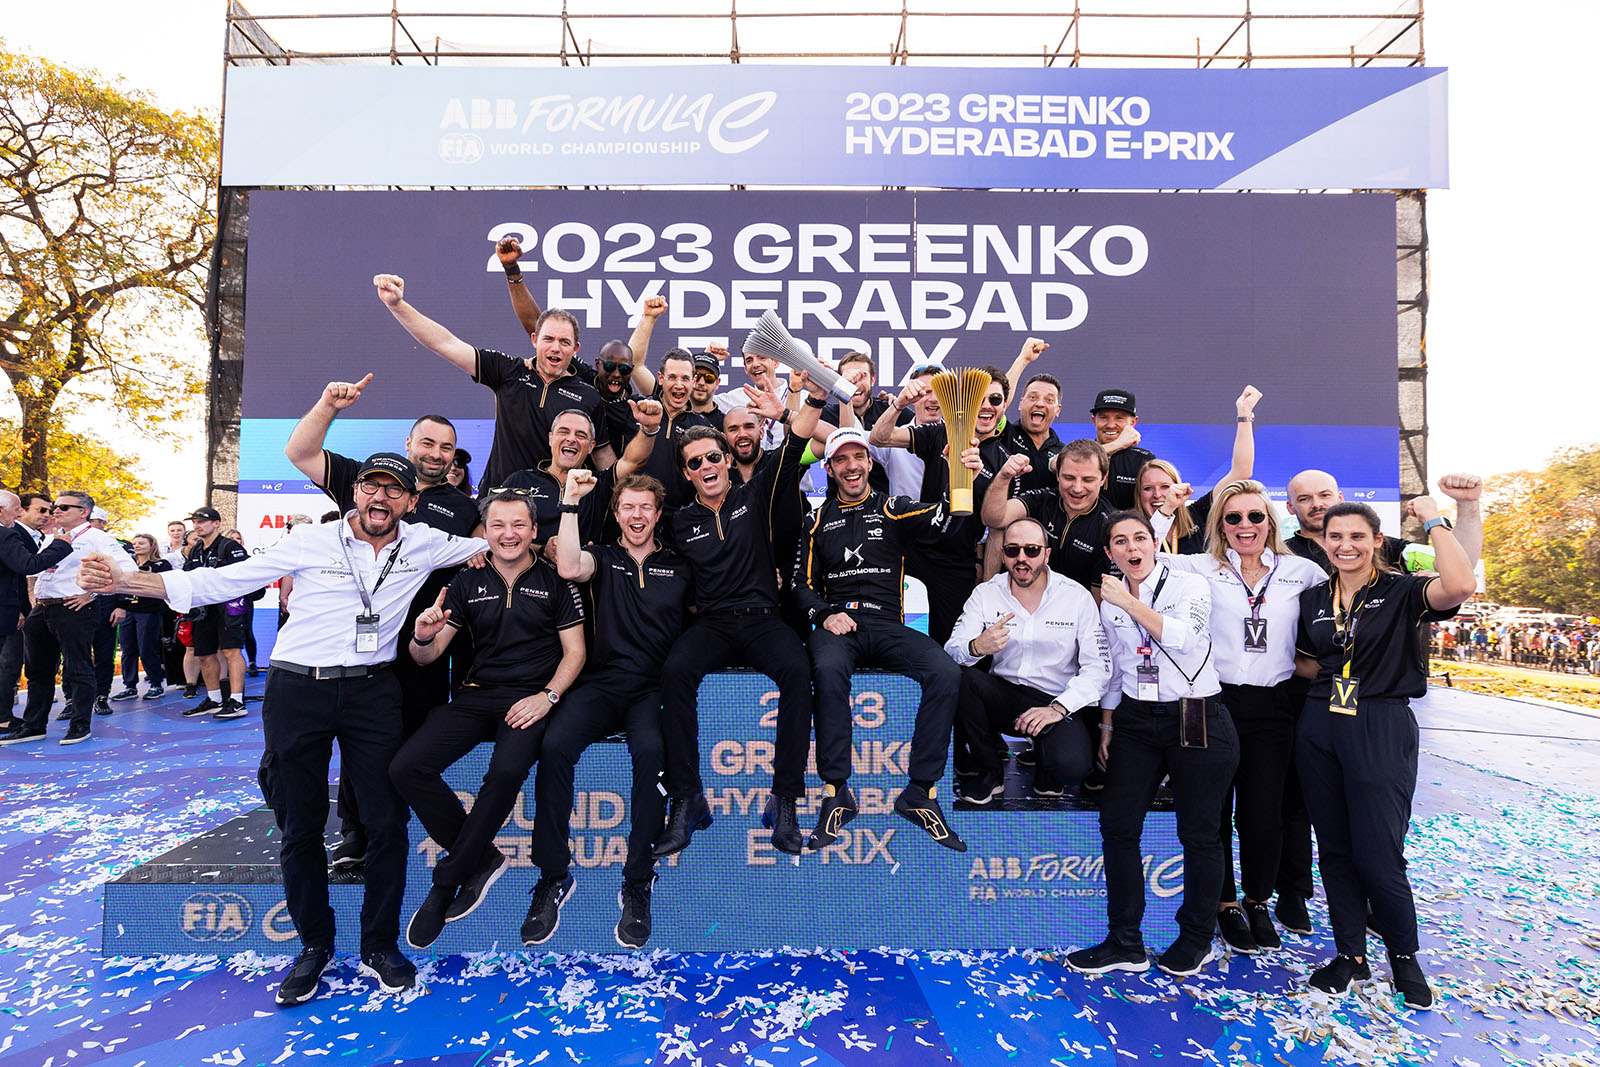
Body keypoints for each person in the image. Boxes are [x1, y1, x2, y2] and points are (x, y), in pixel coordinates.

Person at [77, 453, 489, 1005]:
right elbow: (222, 580)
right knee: (300, 826)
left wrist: (544, 539)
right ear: (354, 493)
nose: (381, 498)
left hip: (373, 692)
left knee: (387, 824)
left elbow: (505, 540)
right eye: (372, 486)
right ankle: (314, 945)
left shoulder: (425, 543)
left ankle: (380, 945)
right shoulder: (309, 540)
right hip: (299, 690)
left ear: (411, 501)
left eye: (395, 490)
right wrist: (128, 580)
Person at [284, 375, 481, 866]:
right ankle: (356, 833)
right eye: (428, 443)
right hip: (359, 652)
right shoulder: (366, 478)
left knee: (406, 747)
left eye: (447, 448)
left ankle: (394, 830)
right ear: (408, 443)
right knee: (356, 750)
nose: (436, 454)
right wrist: (328, 405)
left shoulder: (464, 507)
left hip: (424, 648)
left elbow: (487, 548)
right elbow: (301, 453)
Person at [1293, 498, 1475, 1009]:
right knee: (1334, 849)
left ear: (1377, 541)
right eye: (1336, 537)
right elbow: (1307, 662)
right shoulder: (1313, 598)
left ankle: (1403, 956)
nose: (1345, 546)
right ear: (1323, 542)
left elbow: (1460, 585)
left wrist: (1435, 519)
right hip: (1321, 724)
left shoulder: (1402, 589)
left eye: (1357, 536)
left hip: (1381, 722)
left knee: (1378, 853)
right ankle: (1350, 954)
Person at [388, 490, 585, 951]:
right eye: (498, 525)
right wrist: (422, 636)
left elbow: (575, 652)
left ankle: (445, 884)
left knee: (506, 772)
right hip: (477, 695)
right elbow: (427, 656)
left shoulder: (556, 580)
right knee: (405, 768)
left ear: (534, 531)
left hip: (531, 698)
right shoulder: (467, 580)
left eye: (518, 525)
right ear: (485, 532)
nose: (508, 534)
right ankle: (481, 859)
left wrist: (547, 697)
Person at [652, 372, 828, 858]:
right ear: (687, 474)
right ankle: (688, 800)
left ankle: (784, 800)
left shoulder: (757, 494)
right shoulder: (678, 523)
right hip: (711, 623)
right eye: (695, 462)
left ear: (728, 460)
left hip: (764, 619)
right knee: (674, 673)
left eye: (713, 457)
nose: (706, 465)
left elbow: (795, 443)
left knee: (798, 674)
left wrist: (812, 397)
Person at [1149, 480, 1326, 954]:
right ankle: (1224, 904)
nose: (1245, 525)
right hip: (1210, 702)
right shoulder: (1197, 568)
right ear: (1220, 525)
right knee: (1211, 811)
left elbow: (1337, 609)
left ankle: (1258, 901)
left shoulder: (1302, 571)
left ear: (1270, 522)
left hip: (1273, 706)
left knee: (1263, 813)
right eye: (1233, 517)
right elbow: (1142, 557)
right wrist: (1166, 511)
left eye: (1254, 516)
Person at [1066, 512, 1238, 978]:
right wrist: (1106, 727)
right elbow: (1116, 668)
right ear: (1110, 553)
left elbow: (1185, 638)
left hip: (1196, 716)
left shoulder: (1188, 584)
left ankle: (1196, 939)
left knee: (1200, 833)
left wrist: (1128, 601)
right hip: (1137, 721)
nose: (1132, 548)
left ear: (1154, 542)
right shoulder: (1109, 602)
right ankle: (1125, 941)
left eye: (1139, 538)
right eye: (1120, 542)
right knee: (1117, 827)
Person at [526, 470, 693, 949]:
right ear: (617, 514)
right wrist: (571, 501)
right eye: (628, 507)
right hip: (600, 685)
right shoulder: (601, 557)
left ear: (657, 515)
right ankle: (553, 877)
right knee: (554, 747)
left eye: (646, 508)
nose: (637, 516)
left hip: (652, 691)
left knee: (651, 756)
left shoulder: (680, 565)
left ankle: (638, 881)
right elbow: (568, 566)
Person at [794, 427, 966, 852]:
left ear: (871, 463)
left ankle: (920, 791)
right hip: (839, 624)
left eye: (859, 457)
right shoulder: (815, 520)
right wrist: (825, 614)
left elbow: (946, 520)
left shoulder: (893, 508)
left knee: (946, 671)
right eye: (841, 460)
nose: (851, 466)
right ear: (829, 469)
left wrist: (956, 470)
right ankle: (837, 793)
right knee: (827, 669)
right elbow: (801, 585)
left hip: (887, 624)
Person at [374, 272, 613, 487]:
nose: (555, 348)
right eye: (548, 339)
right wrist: (397, 305)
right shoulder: (508, 370)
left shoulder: (589, 396)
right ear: (534, 340)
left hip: (554, 508)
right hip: (497, 501)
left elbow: (603, 460)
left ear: (576, 349)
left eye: (564, 342)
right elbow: (445, 343)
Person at [944, 516, 1111, 803]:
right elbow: (951, 650)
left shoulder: (1076, 596)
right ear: (1002, 554)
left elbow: (1099, 669)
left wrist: (1058, 708)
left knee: (1071, 768)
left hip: (1056, 700)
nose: (1022, 558)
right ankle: (990, 771)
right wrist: (976, 646)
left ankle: (1046, 763)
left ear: (1046, 554)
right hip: (1005, 697)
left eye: (1031, 550)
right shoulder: (986, 593)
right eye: (1013, 550)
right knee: (962, 678)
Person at [1, 491, 128, 746]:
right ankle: (34, 726)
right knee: (37, 671)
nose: (55, 511)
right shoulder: (52, 538)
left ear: (84, 512)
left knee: (77, 667)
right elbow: (36, 569)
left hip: (73, 608)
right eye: (54, 507)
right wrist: (33, 600)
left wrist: (92, 594)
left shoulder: (99, 538)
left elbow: (127, 569)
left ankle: (80, 725)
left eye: (64, 507)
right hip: (42, 609)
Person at [977, 438, 1115, 594]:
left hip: (1074, 605)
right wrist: (1003, 477)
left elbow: (1098, 598)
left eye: (1087, 480)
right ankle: (988, 596)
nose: (1077, 488)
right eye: (1069, 478)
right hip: (1023, 596)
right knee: (999, 528)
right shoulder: (1044, 499)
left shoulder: (1108, 527)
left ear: (1103, 478)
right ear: (1058, 475)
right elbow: (993, 519)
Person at [1137, 387, 1261, 554]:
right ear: (1138, 494)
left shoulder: (1197, 515)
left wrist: (1244, 415)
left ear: (1178, 488)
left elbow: (1242, 472)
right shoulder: (1131, 529)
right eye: (1147, 488)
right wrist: (1165, 511)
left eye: (1165, 486)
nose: (1157, 495)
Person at [0, 491, 73, 731]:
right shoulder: (7, 534)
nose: (18, 514)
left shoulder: (27, 535)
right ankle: (3, 719)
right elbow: (27, 565)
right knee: (8, 665)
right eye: (16, 509)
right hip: (9, 612)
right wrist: (61, 545)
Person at [181, 507, 251, 720]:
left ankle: (237, 701)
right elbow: (188, 576)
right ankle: (214, 699)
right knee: (204, 653)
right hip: (204, 608)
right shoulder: (196, 549)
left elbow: (244, 576)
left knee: (231, 651)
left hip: (228, 607)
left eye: (201, 522)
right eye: (194, 522)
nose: (197, 526)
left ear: (216, 523)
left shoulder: (230, 546)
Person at [108, 534, 173, 701]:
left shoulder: (161, 564)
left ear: (152, 545)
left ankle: (156, 683)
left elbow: (166, 586)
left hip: (149, 610)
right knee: (128, 649)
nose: (137, 546)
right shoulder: (127, 564)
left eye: (142, 543)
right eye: (135, 543)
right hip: (128, 609)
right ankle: (129, 686)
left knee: (147, 647)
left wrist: (149, 577)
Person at [1089, 389, 1158, 511]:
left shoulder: (1143, 459)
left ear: (1133, 422)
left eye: (1119, 418)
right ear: (1094, 421)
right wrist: (1118, 444)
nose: (1111, 425)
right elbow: (1057, 463)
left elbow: (1153, 506)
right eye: (1104, 418)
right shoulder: (1076, 452)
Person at [225, 528, 264, 676]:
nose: (236, 541)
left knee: (247, 632)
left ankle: (252, 663)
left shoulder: (249, 560)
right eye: (232, 538)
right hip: (225, 601)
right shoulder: (221, 559)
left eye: (238, 538)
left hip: (245, 600)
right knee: (228, 633)